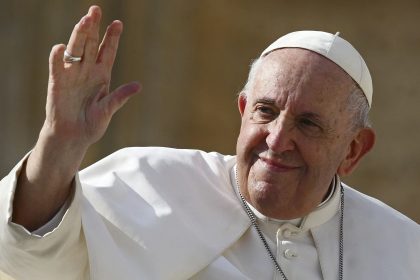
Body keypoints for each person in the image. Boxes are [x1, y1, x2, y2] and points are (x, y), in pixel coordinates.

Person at [0, 5, 419, 280]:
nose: (277, 139)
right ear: (242, 110)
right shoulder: (149, 183)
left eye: (308, 124)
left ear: (353, 150)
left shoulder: (403, 251)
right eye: (266, 111)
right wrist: (59, 143)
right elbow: (25, 263)